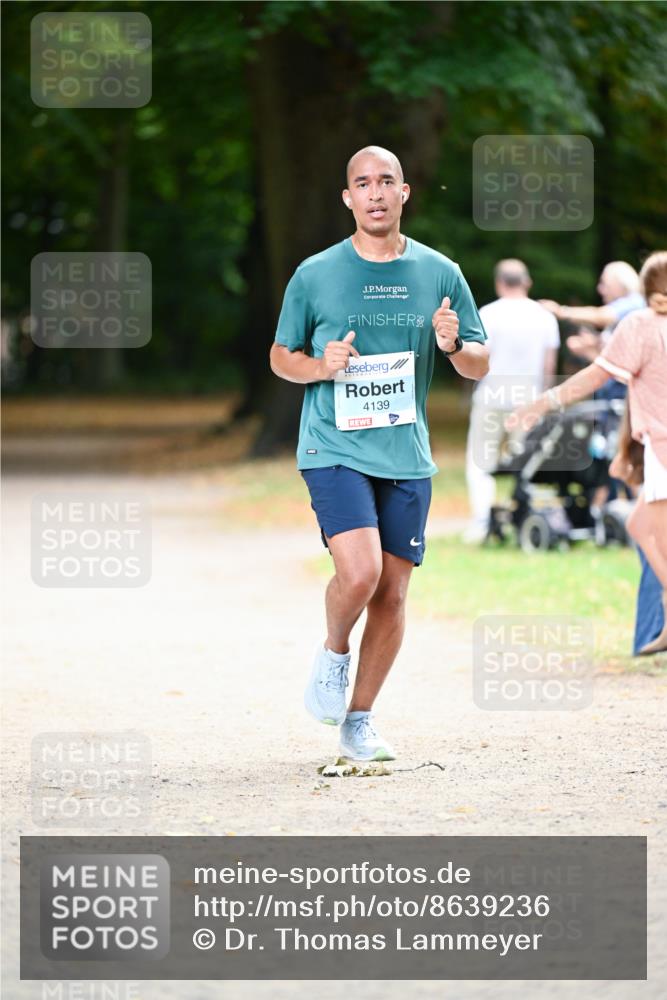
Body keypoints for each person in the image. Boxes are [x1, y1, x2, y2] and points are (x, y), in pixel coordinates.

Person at [269, 145, 489, 760]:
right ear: (348, 198)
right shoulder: (315, 273)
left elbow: (478, 361)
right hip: (332, 443)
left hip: (405, 452)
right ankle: (334, 652)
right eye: (362, 183)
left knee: (392, 594)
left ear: (404, 192)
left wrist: (453, 346)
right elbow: (281, 357)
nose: (374, 192)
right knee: (360, 572)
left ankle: (359, 720)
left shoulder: (440, 272)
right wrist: (321, 364)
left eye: (385, 181)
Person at [508, 251, 667, 655]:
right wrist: (626, 449)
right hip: (654, 447)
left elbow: (597, 376)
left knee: (646, 528)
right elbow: (639, 386)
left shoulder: (640, 326)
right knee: (638, 525)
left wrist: (543, 402)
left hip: (663, 449)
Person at [463, 259, 560, 543]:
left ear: (499, 283)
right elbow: (549, 366)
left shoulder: (488, 314)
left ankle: (482, 523)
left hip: (492, 394)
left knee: (480, 460)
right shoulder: (544, 317)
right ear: (526, 282)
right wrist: (545, 399)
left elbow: (481, 358)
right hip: (528, 399)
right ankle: (524, 516)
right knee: (526, 463)